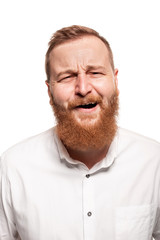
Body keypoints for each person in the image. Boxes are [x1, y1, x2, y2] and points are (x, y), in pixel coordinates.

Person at [0, 25, 160, 240]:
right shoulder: (13, 167)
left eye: (95, 72)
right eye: (67, 77)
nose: (83, 88)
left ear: (115, 81)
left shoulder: (154, 161)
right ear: (49, 91)